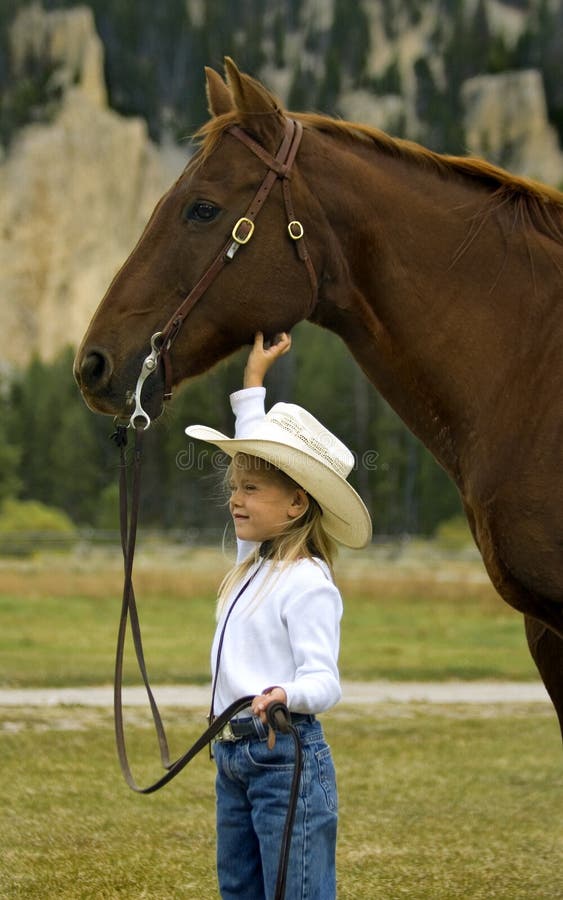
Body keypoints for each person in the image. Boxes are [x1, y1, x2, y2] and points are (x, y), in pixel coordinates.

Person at [185, 332, 372, 900]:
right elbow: (253, 444)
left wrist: (283, 694)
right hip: (234, 758)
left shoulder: (308, 583)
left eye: (253, 489)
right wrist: (252, 382)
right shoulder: (254, 560)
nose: (236, 499)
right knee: (239, 888)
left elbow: (324, 682)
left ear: (296, 504)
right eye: (235, 486)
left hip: (283, 759)